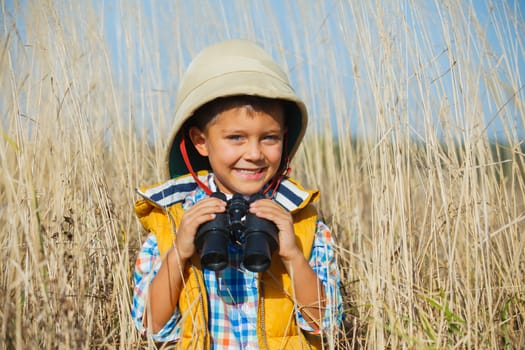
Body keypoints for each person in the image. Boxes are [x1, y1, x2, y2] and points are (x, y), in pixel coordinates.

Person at [131, 39, 343, 349]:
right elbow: (150, 327)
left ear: (284, 137)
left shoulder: (302, 225)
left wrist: (293, 255)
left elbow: (327, 325)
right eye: (236, 138)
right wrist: (179, 252)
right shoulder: (173, 222)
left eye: (269, 138)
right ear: (200, 141)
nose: (255, 154)